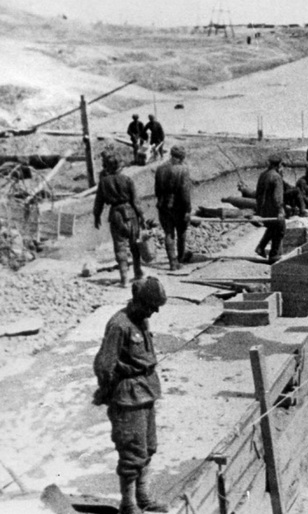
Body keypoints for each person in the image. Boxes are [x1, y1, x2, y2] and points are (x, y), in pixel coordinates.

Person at [93, 277, 169, 514]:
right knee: (131, 451)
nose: (152, 313)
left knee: (148, 447)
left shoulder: (141, 320)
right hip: (127, 397)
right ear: (138, 302)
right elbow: (104, 365)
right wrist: (108, 392)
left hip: (146, 392)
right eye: (150, 307)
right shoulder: (120, 325)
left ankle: (143, 497)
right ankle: (128, 505)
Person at [94, 151, 145, 287]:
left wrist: (96, 216)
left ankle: (124, 278)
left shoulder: (103, 182)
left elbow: (98, 202)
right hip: (131, 213)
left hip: (115, 215)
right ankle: (138, 272)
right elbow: (136, 201)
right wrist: (142, 216)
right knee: (134, 245)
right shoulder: (128, 180)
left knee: (119, 246)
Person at [154, 145, 192, 271]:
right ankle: (180, 258)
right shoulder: (183, 169)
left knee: (168, 233)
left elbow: (157, 191)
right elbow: (185, 193)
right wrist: (188, 209)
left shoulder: (160, 169)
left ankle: (172, 262)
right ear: (181, 158)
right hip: (178, 206)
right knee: (181, 232)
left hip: (163, 205)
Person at [255, 155, 286, 263]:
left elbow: (258, 193)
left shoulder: (263, 175)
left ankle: (261, 247)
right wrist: (280, 210)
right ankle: (274, 255)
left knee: (272, 228)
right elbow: (277, 197)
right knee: (280, 229)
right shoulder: (276, 177)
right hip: (272, 209)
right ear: (279, 165)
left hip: (262, 209)